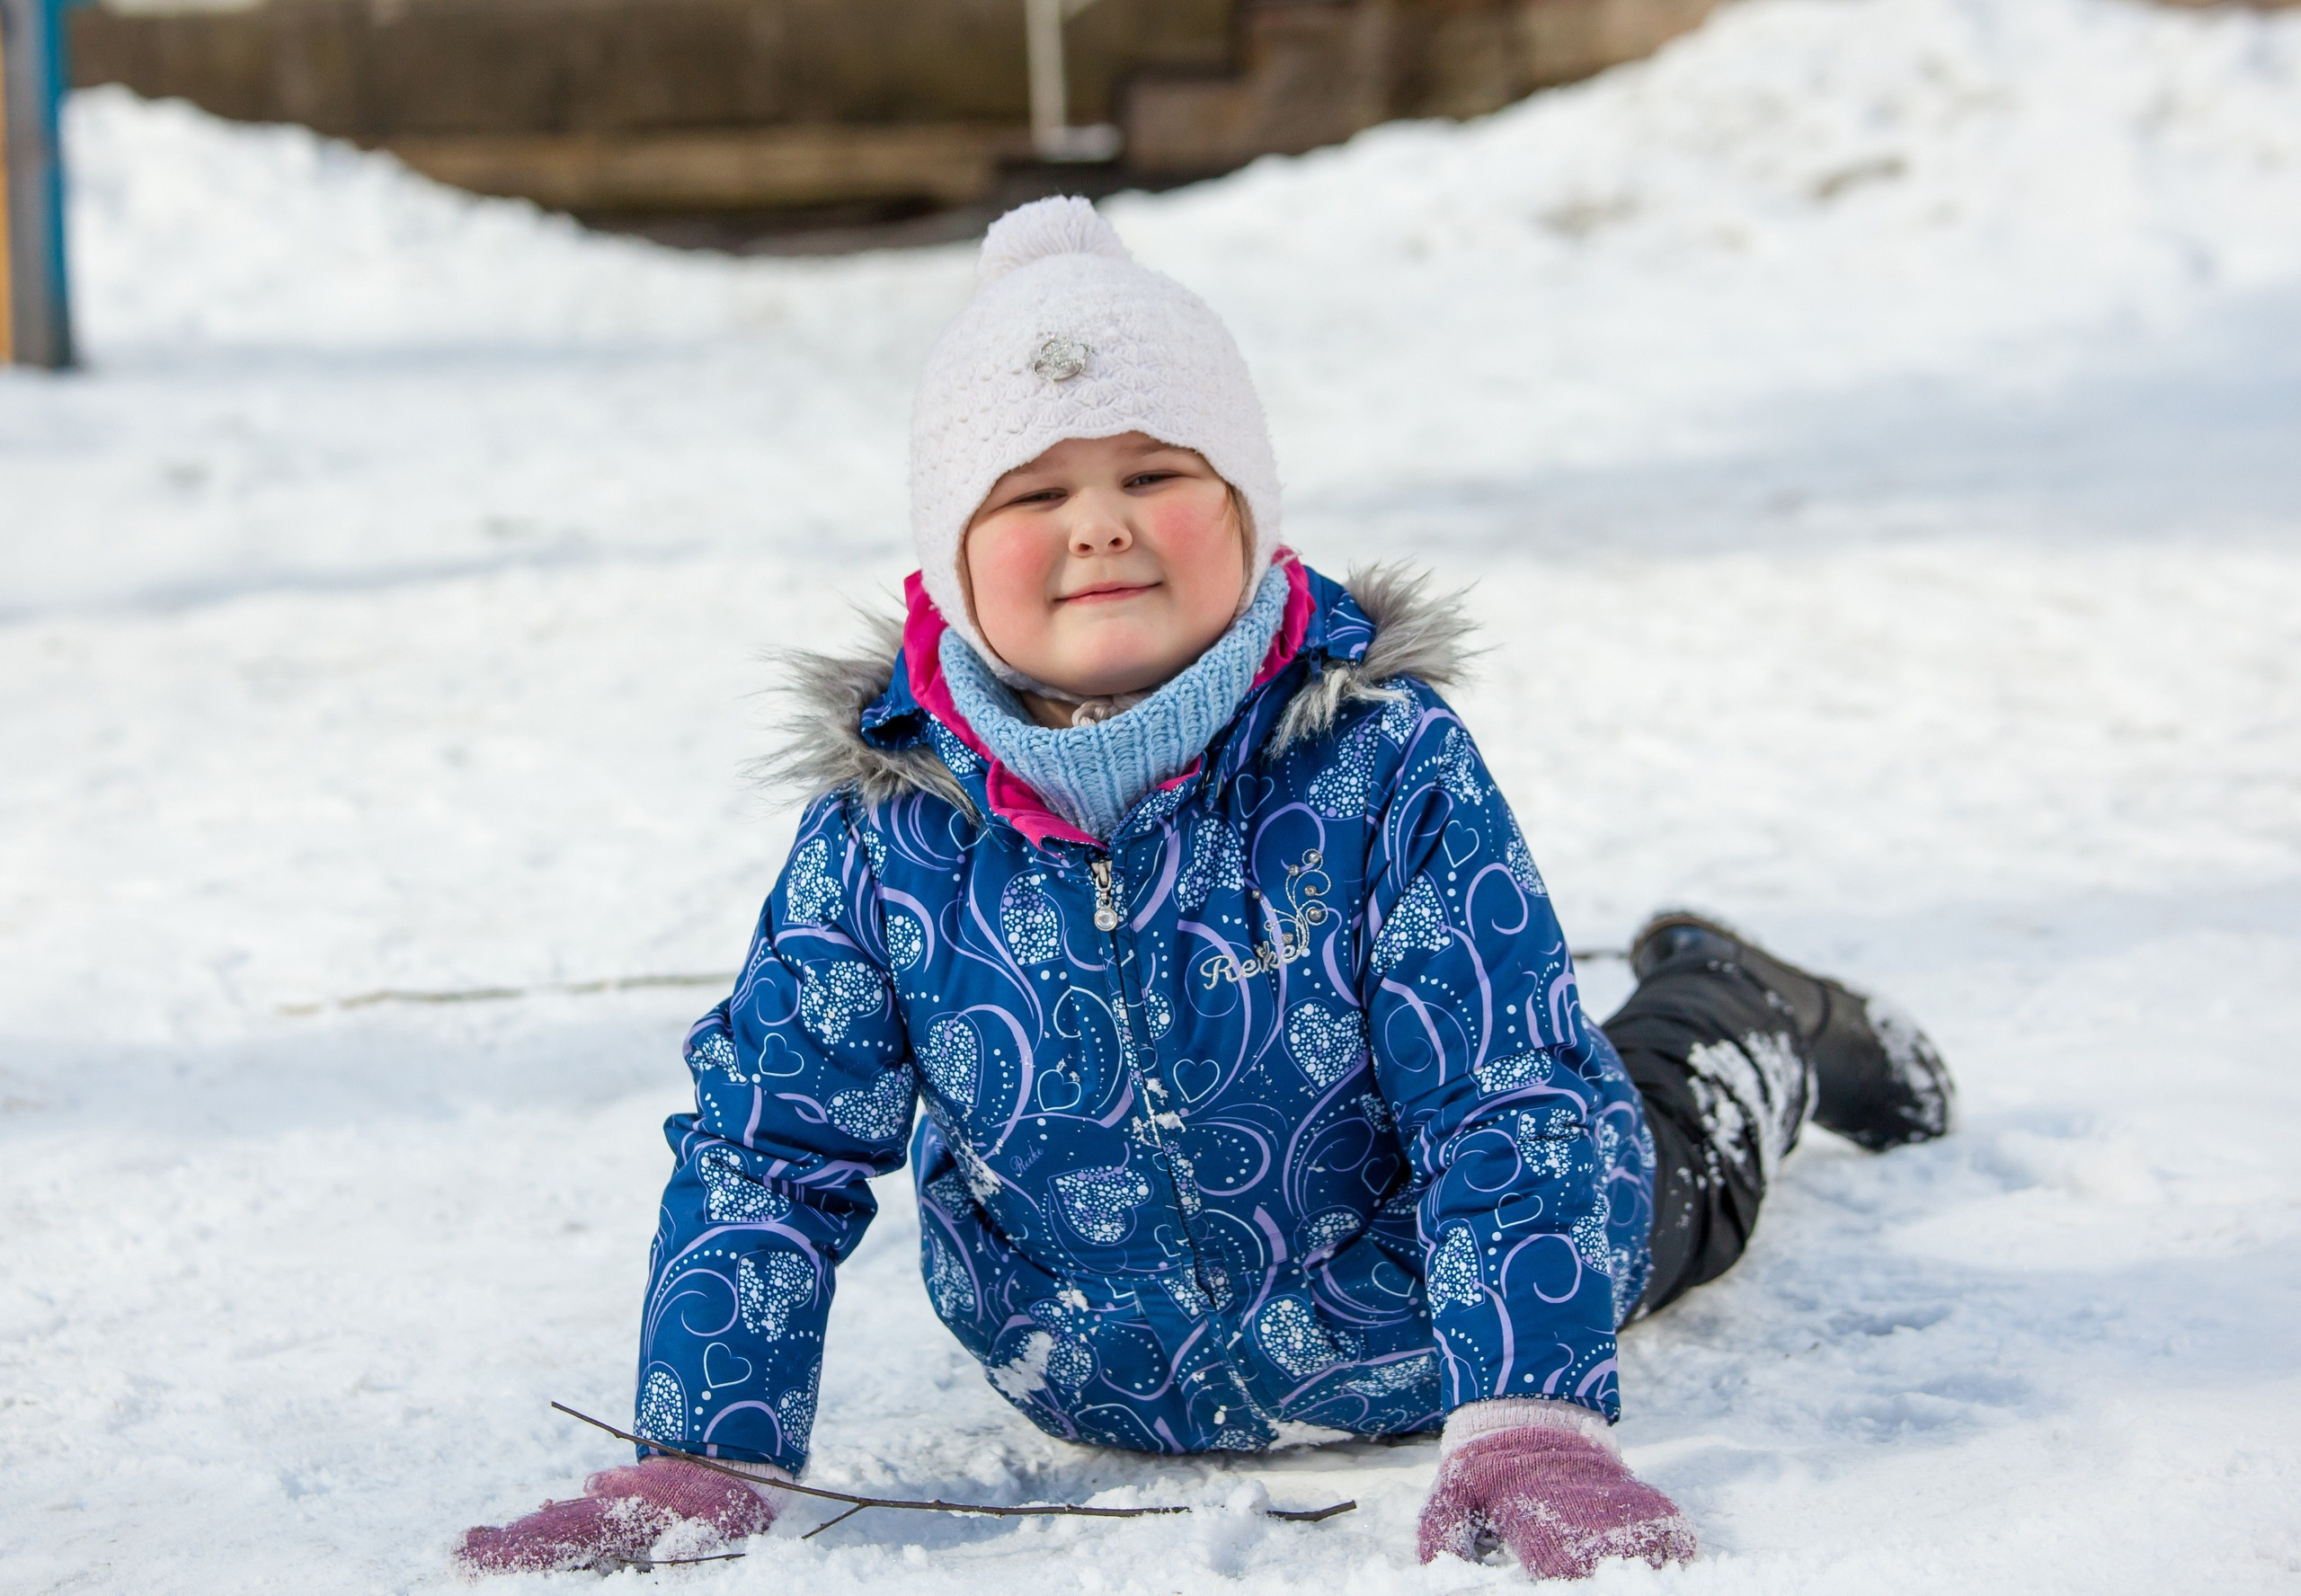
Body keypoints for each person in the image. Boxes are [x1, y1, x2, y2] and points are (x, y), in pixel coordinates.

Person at [458, 198, 1954, 1580]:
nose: (1099, 522)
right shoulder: (883, 841)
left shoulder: (1383, 770)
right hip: (1087, 1373)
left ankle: (1746, 1002)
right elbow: (769, 1146)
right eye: (1032, 490)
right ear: (947, 560)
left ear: (1248, 512)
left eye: (1156, 473)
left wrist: (1532, 1420)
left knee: (1668, 1123)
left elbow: (1504, 1102)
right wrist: (706, 1455)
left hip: (1447, 1320)